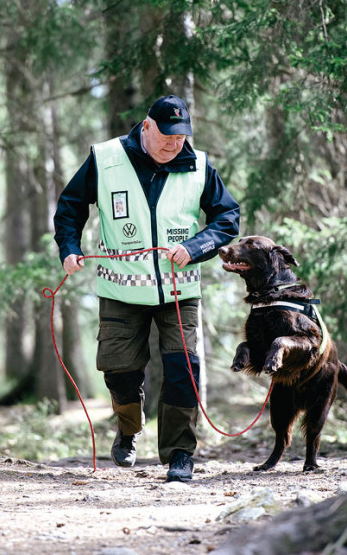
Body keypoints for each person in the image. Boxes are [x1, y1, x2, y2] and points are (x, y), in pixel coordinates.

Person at [54, 95, 240, 482]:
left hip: (179, 290)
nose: (175, 144)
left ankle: (179, 455)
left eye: (181, 137)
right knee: (120, 371)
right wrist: (69, 248)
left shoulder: (198, 165)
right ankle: (128, 430)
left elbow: (227, 218)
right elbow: (71, 206)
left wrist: (194, 248)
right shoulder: (105, 158)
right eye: (167, 136)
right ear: (146, 126)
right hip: (121, 289)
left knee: (182, 369)